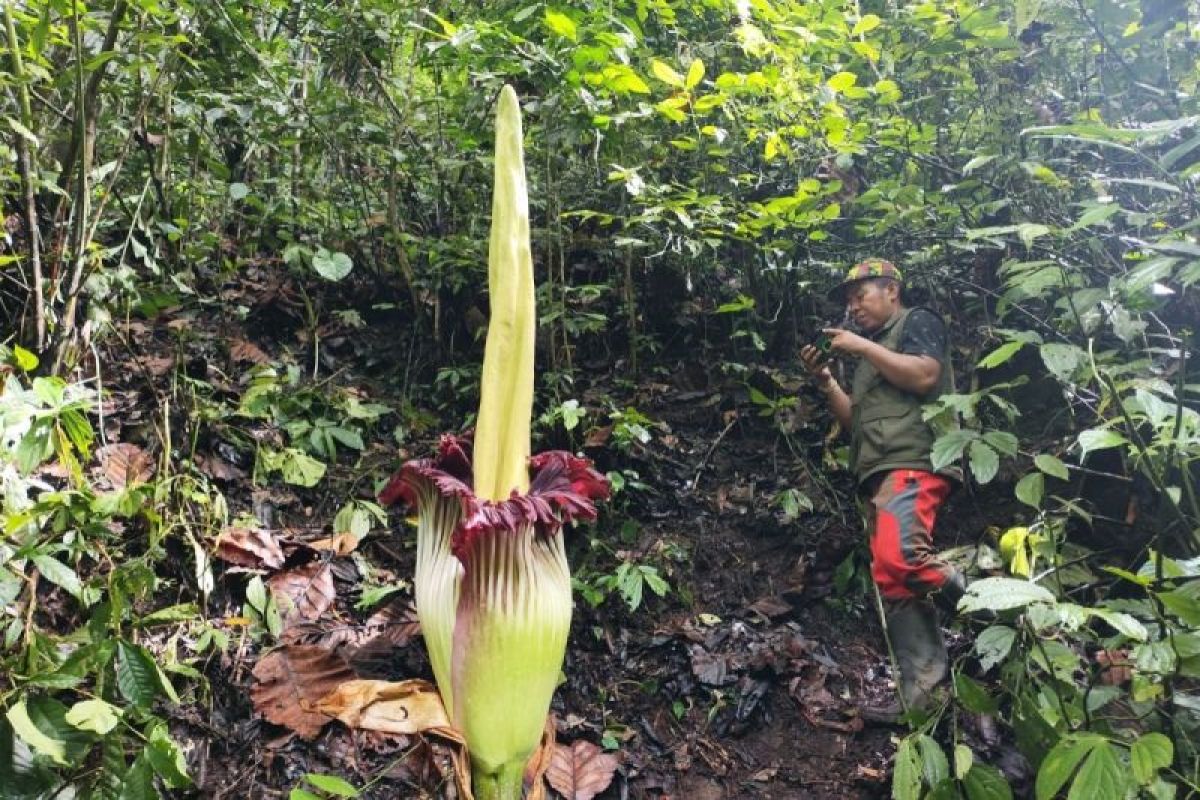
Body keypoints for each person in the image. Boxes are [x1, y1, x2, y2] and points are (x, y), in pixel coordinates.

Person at [800, 258, 966, 724]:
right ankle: (923, 701)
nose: (853, 307)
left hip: (915, 459)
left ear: (892, 289)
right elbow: (854, 421)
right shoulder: (869, 357)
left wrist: (858, 347)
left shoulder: (917, 322)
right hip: (879, 469)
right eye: (849, 300)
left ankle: (1003, 612)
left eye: (860, 295)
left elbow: (925, 376)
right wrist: (826, 379)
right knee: (894, 581)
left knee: (903, 560)